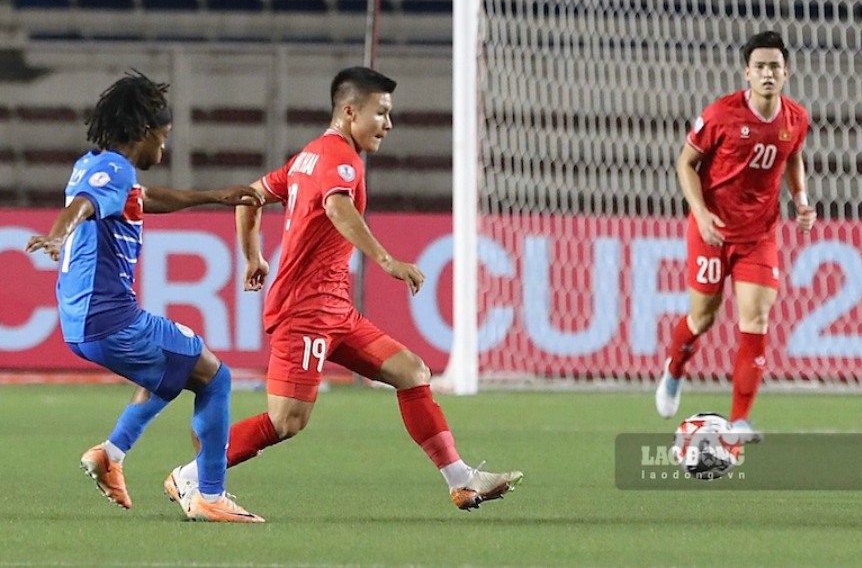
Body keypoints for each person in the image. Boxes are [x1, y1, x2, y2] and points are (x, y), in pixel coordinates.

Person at [151, 66, 522, 512]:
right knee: (286, 421)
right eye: (380, 113)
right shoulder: (340, 159)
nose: (388, 124)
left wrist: (253, 256)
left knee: (411, 371)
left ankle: (461, 480)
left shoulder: (308, 156)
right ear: (349, 112)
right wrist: (386, 260)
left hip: (335, 310)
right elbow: (337, 207)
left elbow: (249, 196)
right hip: (306, 311)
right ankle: (191, 476)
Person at [26, 71, 266, 523]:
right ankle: (209, 494)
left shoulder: (96, 164)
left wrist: (216, 196)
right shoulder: (114, 170)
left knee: (174, 368)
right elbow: (81, 205)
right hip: (110, 320)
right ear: (143, 132)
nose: (163, 148)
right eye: (163, 137)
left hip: (83, 324)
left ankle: (111, 453)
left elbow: (144, 198)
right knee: (214, 377)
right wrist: (58, 234)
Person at [654, 31, 817, 440]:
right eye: (760, 67)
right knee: (703, 317)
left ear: (786, 72)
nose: (768, 73)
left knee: (756, 318)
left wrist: (800, 199)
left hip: (759, 235)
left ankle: (740, 420)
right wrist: (701, 213)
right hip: (712, 230)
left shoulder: (796, 118)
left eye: (775, 66)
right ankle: (675, 367)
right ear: (747, 72)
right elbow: (686, 163)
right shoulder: (721, 114)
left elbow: (793, 156)